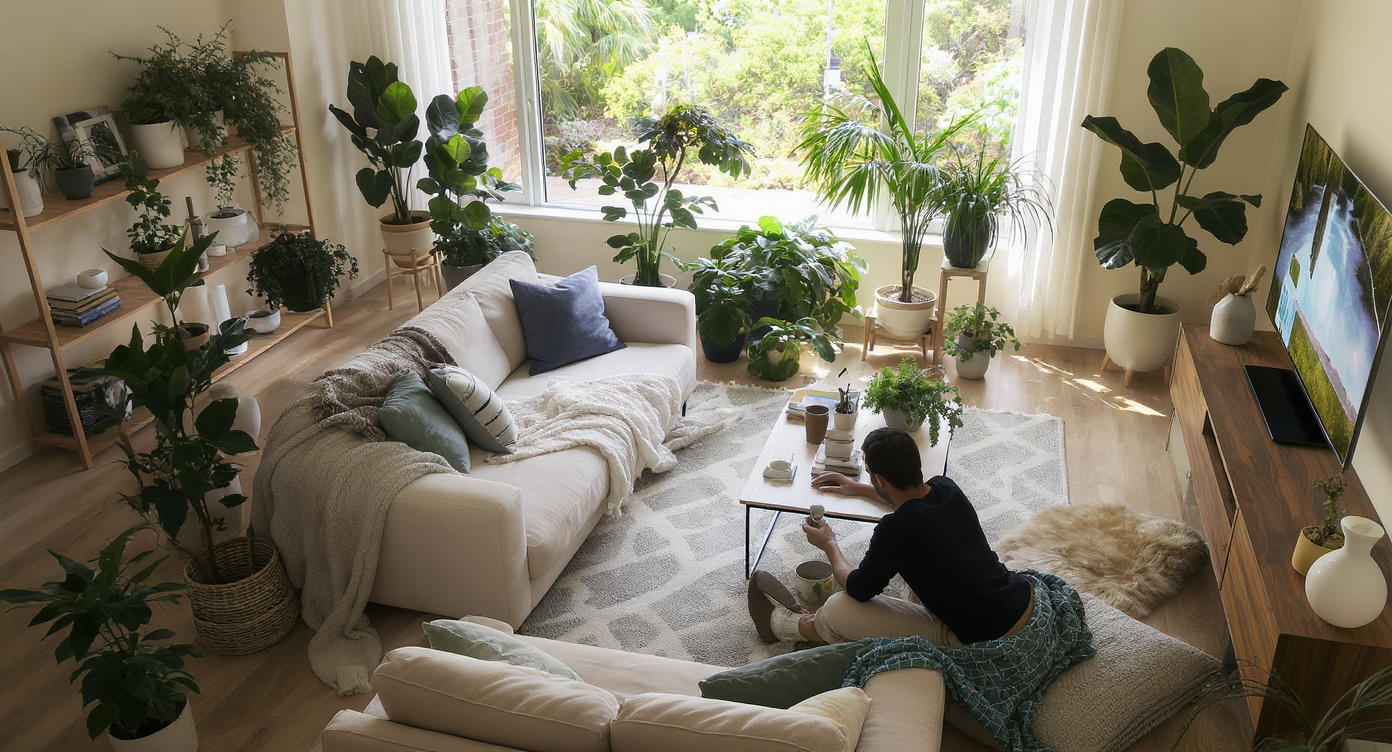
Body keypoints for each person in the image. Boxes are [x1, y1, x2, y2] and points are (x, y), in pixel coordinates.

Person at [748, 426, 1035, 647]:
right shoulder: (946, 488)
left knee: (837, 606)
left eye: (870, 474)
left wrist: (830, 543)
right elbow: (913, 504)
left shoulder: (895, 529)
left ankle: (794, 628)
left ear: (882, 479)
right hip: (1019, 599)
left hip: (983, 638)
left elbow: (858, 588)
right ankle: (810, 622)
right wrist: (859, 487)